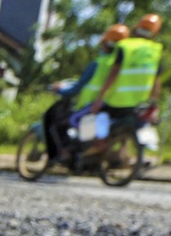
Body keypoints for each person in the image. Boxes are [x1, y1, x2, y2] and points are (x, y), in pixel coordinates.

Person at [45, 23, 128, 159]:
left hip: (90, 106)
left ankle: (67, 153)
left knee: (70, 121)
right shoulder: (122, 65)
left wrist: (60, 90)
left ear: (105, 44)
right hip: (111, 106)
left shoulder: (98, 63)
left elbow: (77, 87)